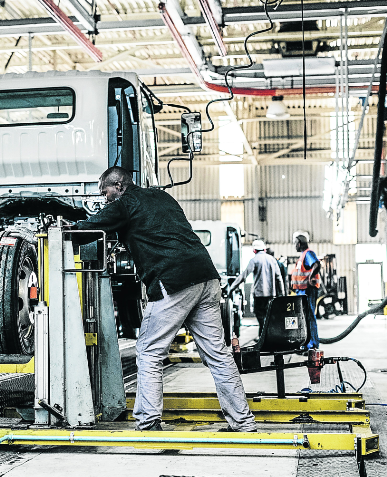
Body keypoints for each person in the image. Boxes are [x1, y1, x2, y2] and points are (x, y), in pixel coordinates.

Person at [73, 166, 256, 433]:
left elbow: (88, 228)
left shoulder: (124, 203)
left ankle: (148, 422)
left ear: (119, 185)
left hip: (174, 281)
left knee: (148, 352)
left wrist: (63, 229)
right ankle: (243, 422)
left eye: (105, 191)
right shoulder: (163, 197)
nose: (104, 198)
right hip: (206, 277)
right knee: (218, 354)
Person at [226, 240, 285, 339]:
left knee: (261, 316)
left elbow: (243, 276)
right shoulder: (272, 260)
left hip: (259, 294)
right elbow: (279, 278)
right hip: (271, 294)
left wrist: (231, 289)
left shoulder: (254, 260)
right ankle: (265, 337)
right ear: (264, 249)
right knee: (268, 316)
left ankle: (263, 337)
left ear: (254, 250)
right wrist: (282, 295)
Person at [290, 231, 321, 349]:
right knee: (305, 317)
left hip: (308, 290)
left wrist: (310, 277)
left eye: (295, 243)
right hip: (302, 291)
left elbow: (317, 264)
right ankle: (307, 344)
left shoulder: (308, 253)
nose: (294, 245)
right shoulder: (303, 255)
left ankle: (312, 344)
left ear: (299, 243)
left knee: (309, 317)